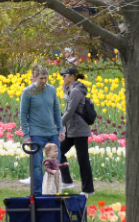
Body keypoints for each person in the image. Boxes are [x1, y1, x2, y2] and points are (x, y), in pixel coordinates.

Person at [19, 65, 65, 195]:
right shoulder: (28, 92)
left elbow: (56, 110)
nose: (44, 81)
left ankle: (53, 190)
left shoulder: (51, 90)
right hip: (36, 133)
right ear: (34, 77)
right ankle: (38, 193)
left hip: (52, 132)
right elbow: (23, 114)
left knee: (56, 162)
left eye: (46, 78)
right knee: (37, 165)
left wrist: (60, 129)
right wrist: (26, 134)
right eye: (41, 78)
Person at [59, 66, 95, 195]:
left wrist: (59, 125)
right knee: (59, 150)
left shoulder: (75, 91)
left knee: (83, 159)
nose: (63, 78)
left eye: (65, 76)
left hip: (79, 130)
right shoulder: (71, 89)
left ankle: (88, 189)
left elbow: (69, 112)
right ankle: (67, 181)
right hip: (71, 129)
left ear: (72, 77)